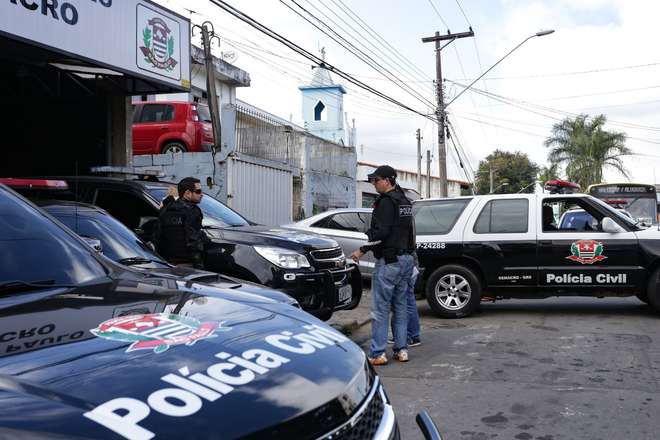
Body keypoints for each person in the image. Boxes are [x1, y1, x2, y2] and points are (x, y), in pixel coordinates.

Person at [350, 165, 415, 365]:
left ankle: (377, 353)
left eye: (376, 180)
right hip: (406, 260)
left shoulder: (386, 202)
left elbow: (382, 233)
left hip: (389, 261)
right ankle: (401, 350)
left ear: (388, 180)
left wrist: (362, 249)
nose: (373, 184)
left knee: (380, 309)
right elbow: (409, 232)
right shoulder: (404, 200)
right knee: (401, 306)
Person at [155, 177, 207, 269]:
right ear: (187, 193)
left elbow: (157, 236)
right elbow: (193, 241)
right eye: (198, 191)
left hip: (166, 264)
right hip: (186, 265)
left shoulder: (166, 209)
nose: (201, 194)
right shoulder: (192, 210)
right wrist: (200, 267)